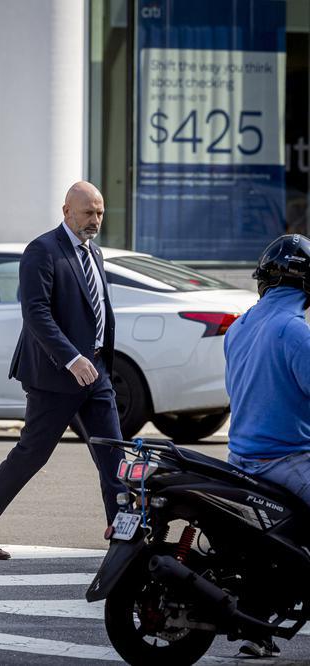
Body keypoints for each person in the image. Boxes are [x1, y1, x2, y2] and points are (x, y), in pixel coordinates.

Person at [0, 181, 126, 560]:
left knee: (114, 455)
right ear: (66, 210)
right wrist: (71, 358)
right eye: (88, 212)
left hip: (95, 374)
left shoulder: (94, 253)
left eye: (100, 213)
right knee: (32, 454)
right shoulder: (42, 250)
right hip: (55, 375)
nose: (95, 220)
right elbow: (36, 313)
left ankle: (123, 535)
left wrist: (96, 360)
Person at [223, 234, 310, 659]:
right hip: (286, 461)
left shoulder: (240, 327)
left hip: (239, 460)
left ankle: (259, 629)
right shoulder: (295, 332)